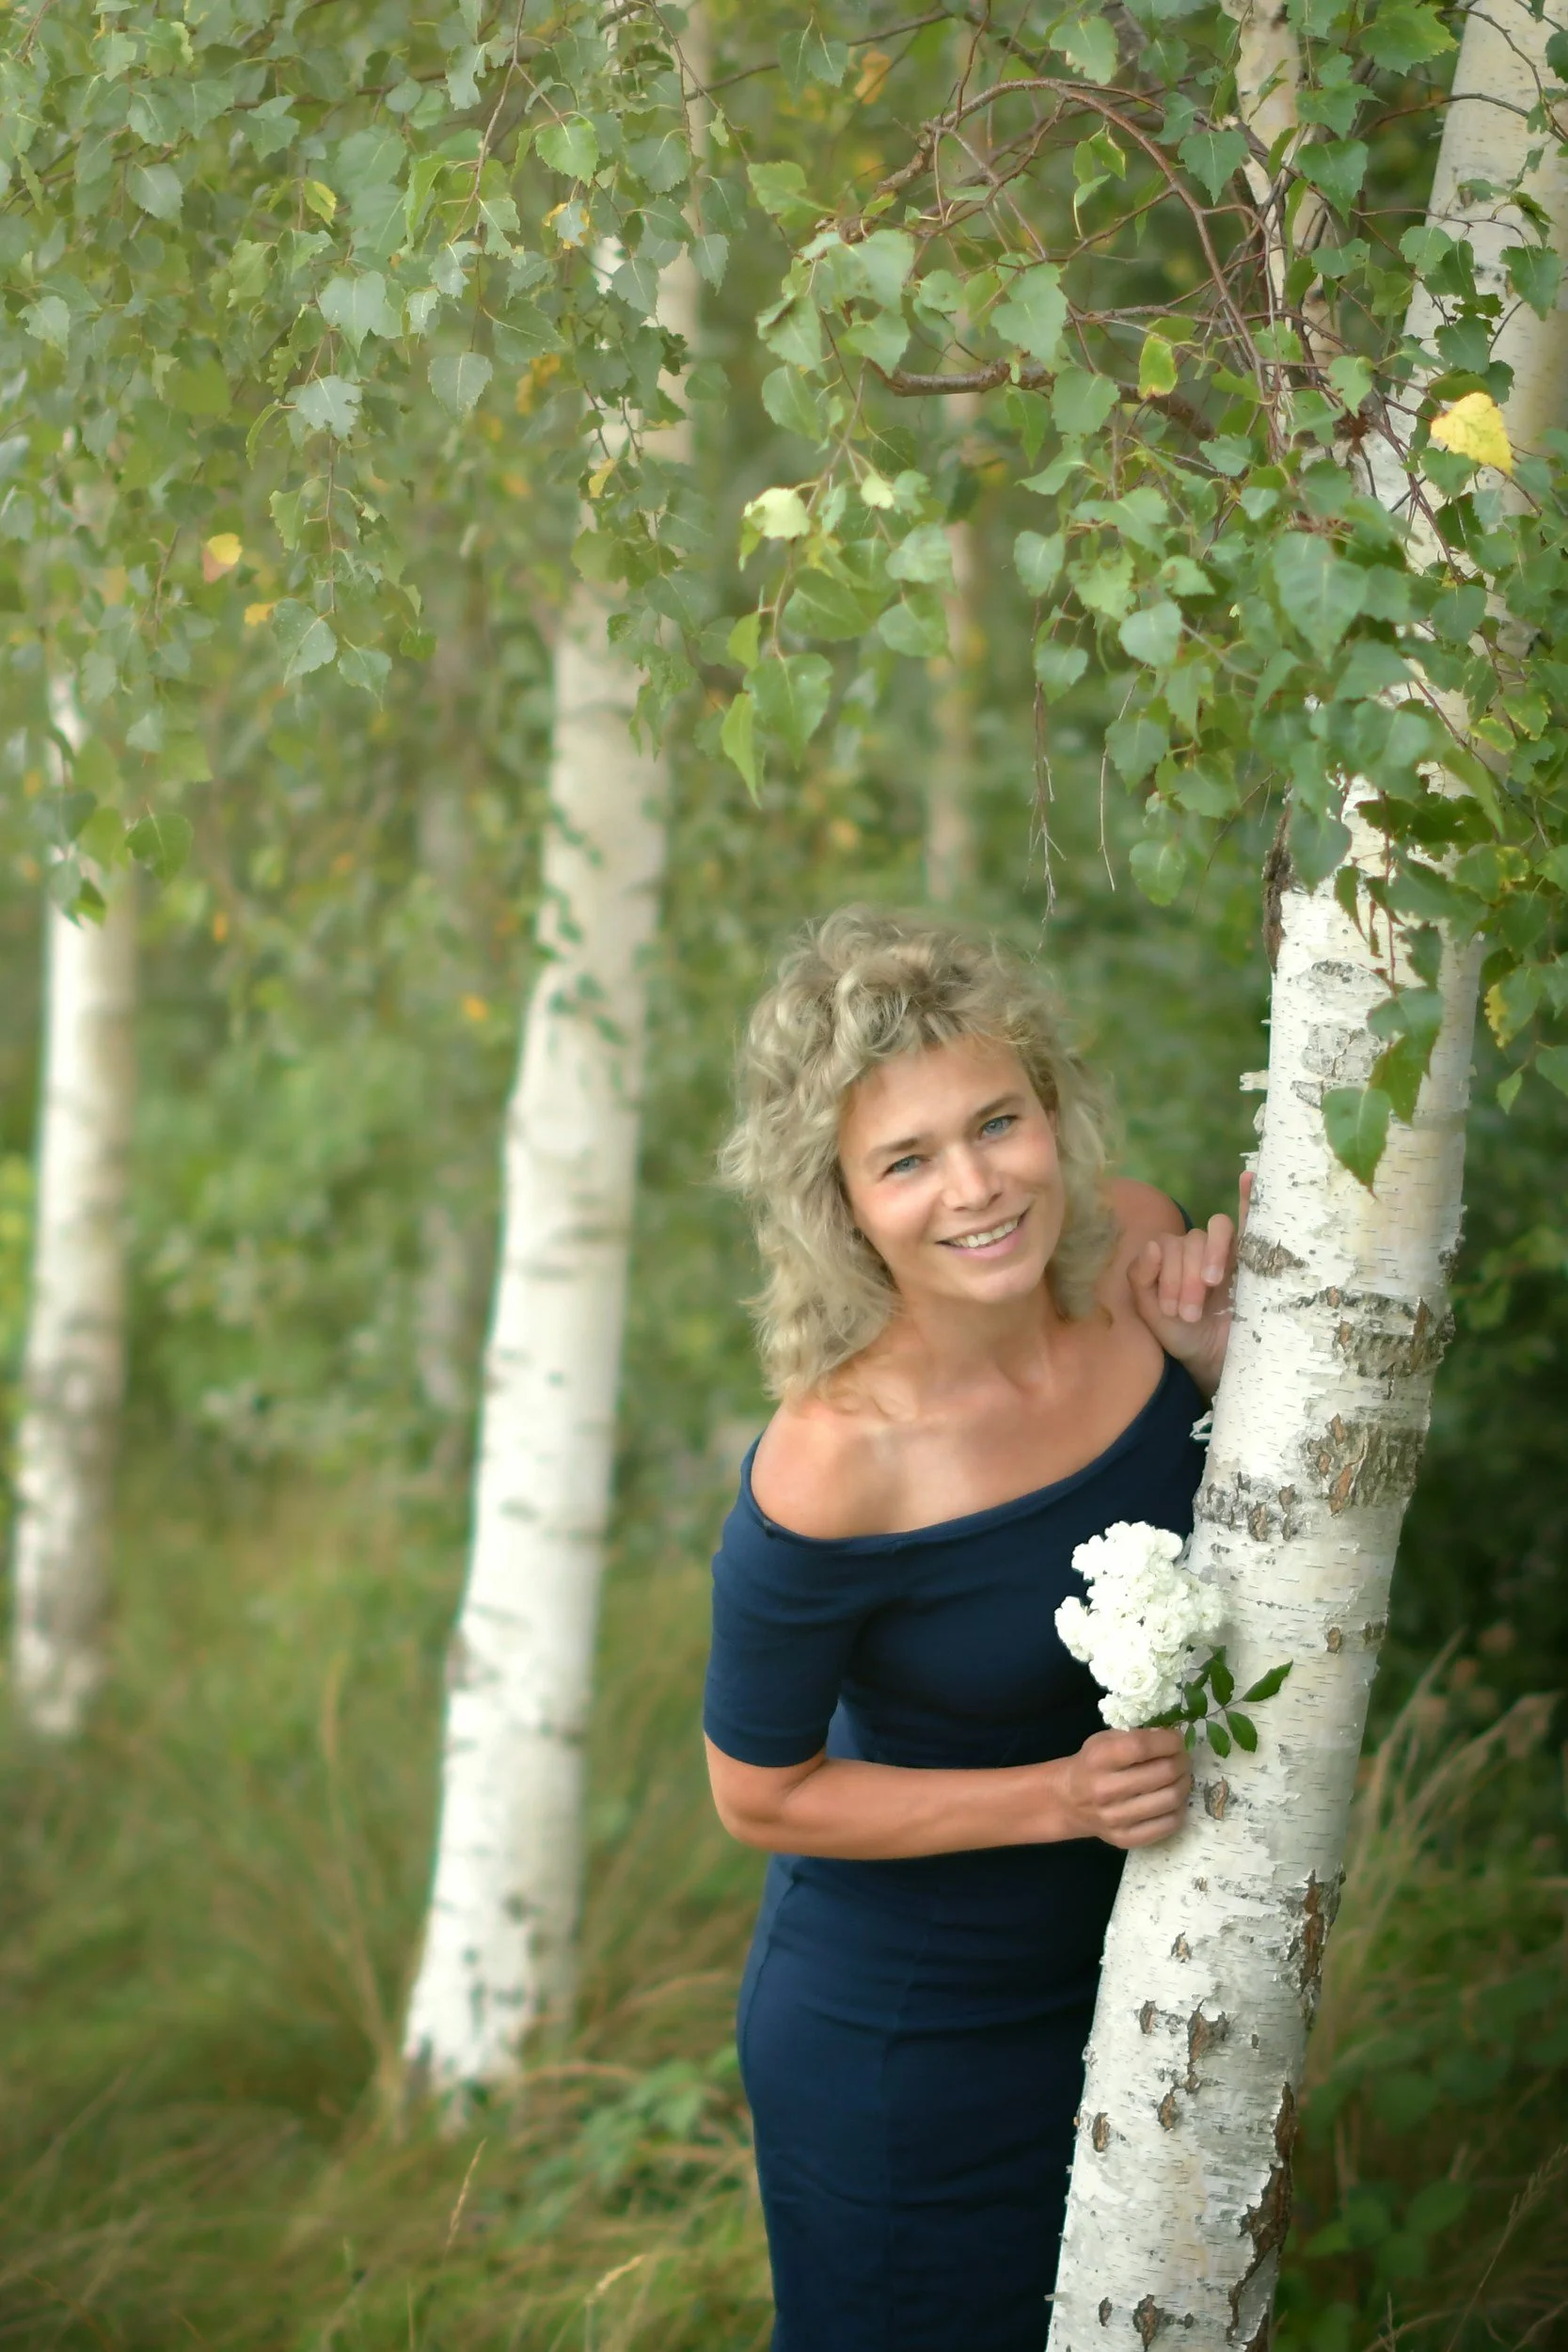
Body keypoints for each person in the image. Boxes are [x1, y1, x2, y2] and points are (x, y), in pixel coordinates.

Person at [702, 907, 1246, 2352]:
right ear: (840, 1201)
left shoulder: (1128, 1243)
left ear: (1050, 1110)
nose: (974, 1188)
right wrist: (1060, 1798)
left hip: (1158, 1983)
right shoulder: (833, 1461)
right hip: (910, 2045)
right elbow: (758, 1789)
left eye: (994, 1123)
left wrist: (1217, 1374)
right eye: (906, 1159)